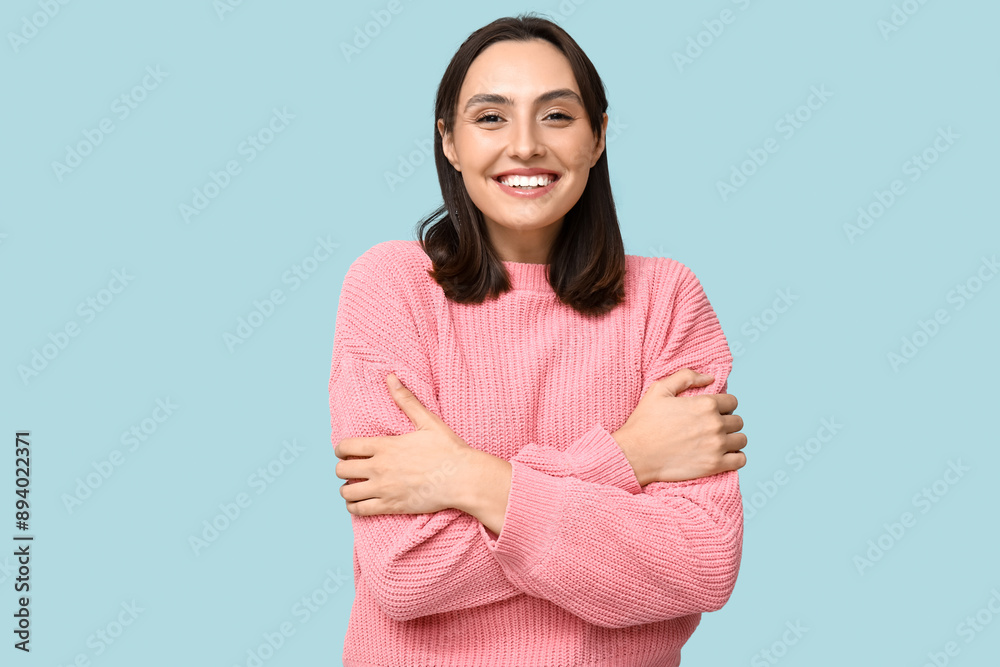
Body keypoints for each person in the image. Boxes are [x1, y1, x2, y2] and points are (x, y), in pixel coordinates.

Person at [329, 13, 747, 667]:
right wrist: (624, 459)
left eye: (556, 116)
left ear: (598, 136)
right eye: (491, 118)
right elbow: (408, 572)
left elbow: (699, 563)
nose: (524, 146)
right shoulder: (391, 287)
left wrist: (465, 476)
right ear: (450, 142)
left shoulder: (667, 300)